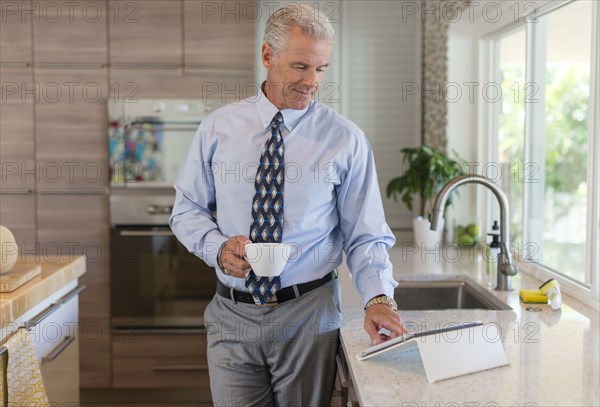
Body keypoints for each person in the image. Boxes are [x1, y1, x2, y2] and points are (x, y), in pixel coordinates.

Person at [170, 4, 406, 406]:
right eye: (300, 67)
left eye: (320, 69)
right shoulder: (219, 128)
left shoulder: (344, 140)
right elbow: (186, 209)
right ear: (267, 56)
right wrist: (217, 249)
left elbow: (365, 235)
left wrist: (379, 299)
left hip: (309, 315)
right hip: (232, 314)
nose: (311, 82)